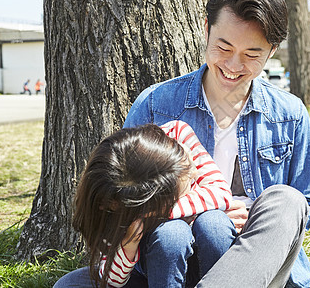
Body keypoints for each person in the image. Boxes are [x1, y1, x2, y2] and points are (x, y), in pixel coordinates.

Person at [123, 0, 310, 287]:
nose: (233, 66)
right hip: (171, 253)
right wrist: (192, 211)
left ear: (271, 51)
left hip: (253, 259)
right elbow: (124, 193)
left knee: (287, 200)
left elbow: (308, 204)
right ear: (207, 30)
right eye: (224, 47)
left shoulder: (289, 113)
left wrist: (253, 218)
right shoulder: (156, 103)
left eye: (251, 54)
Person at [53, 120, 234, 288]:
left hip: (205, 265)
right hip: (152, 272)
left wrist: (154, 214)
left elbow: (221, 193)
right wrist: (129, 243)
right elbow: (111, 280)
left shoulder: (176, 134)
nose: (195, 173)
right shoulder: (118, 201)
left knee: (214, 222)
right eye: (186, 180)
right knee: (171, 234)